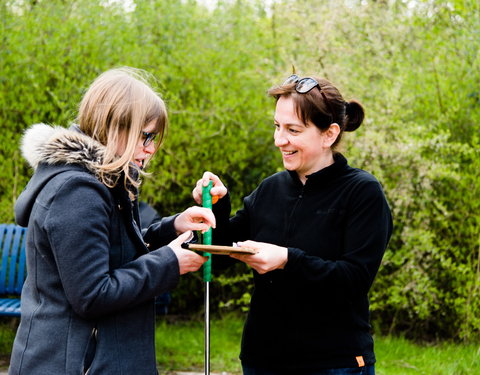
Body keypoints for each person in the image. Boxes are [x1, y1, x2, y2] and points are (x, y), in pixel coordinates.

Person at [10, 67, 213, 375]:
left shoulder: (101, 181)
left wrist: (172, 228)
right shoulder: (76, 192)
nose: (151, 148)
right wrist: (171, 262)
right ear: (113, 127)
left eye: (154, 137)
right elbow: (93, 294)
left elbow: (114, 251)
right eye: (144, 136)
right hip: (76, 364)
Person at [193, 74, 393, 375]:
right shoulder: (270, 189)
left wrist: (286, 260)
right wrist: (217, 206)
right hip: (262, 361)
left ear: (329, 134)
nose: (279, 140)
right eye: (277, 126)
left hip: (333, 364)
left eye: (293, 130)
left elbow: (353, 280)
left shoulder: (362, 192)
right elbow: (217, 257)